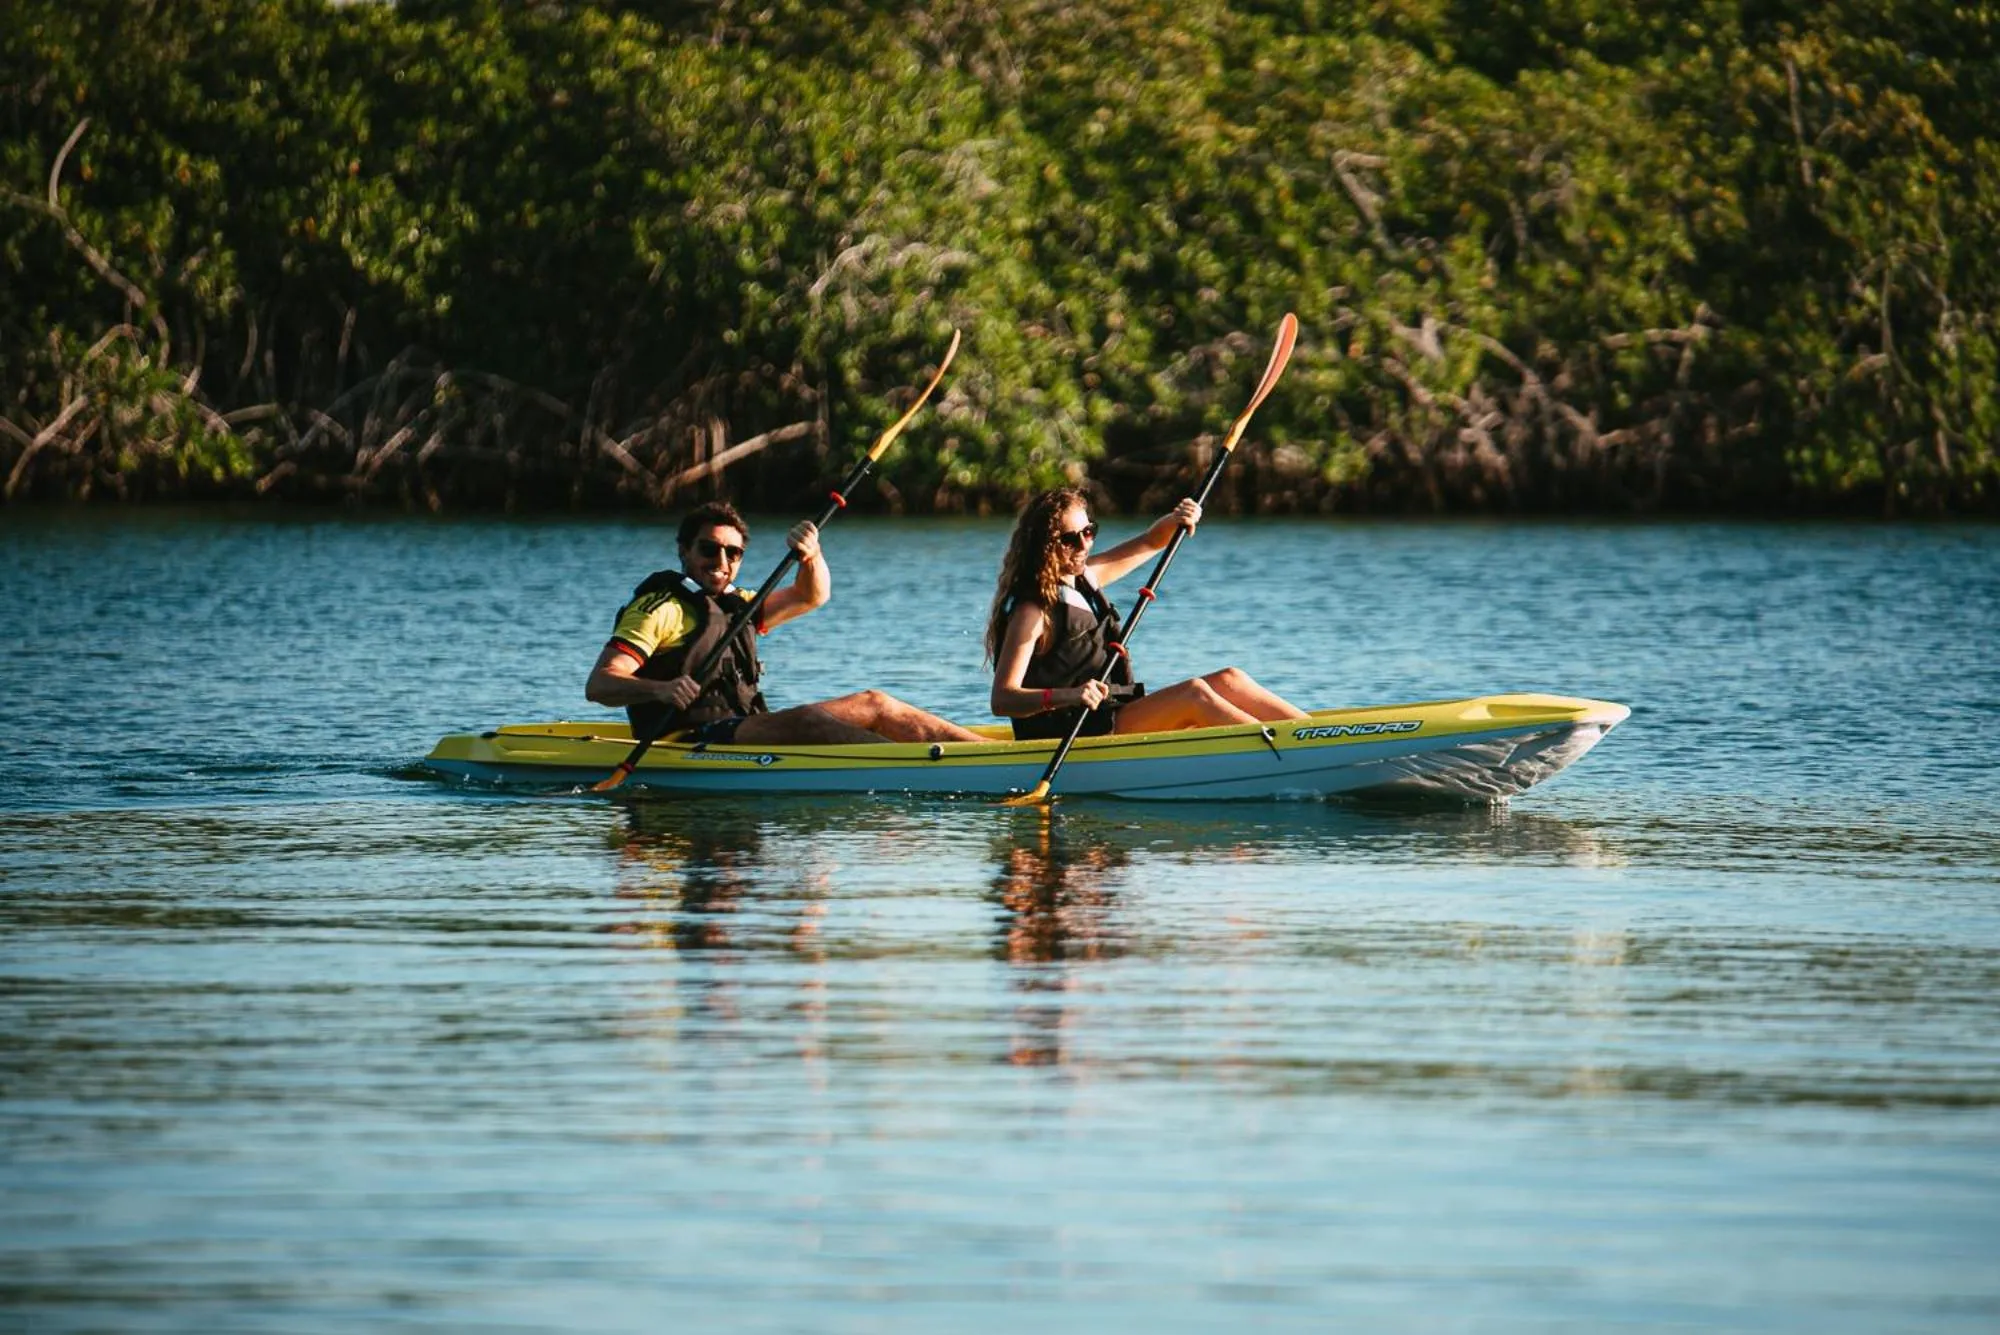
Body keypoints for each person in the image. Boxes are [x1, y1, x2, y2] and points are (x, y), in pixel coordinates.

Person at [587, 501, 984, 746]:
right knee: (810, 722)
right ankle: (913, 766)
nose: (721, 562)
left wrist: (811, 555)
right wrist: (661, 689)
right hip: (687, 738)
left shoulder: (740, 605)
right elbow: (600, 684)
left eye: (733, 553)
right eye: (709, 549)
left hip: (742, 727)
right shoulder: (660, 609)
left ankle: (985, 752)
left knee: (875, 702)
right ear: (684, 551)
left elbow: (811, 595)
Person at [985, 486, 1308, 740]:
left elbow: (1151, 542)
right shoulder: (1032, 611)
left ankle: (1311, 735)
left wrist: (1177, 518)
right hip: (1075, 731)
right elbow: (1003, 699)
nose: (1084, 545)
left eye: (1089, 532)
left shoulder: (1084, 578)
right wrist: (1068, 695)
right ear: (1044, 545)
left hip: (1110, 714)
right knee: (1193, 694)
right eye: (1070, 539)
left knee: (1230, 679)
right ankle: (1279, 749)